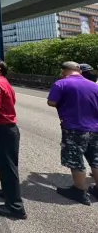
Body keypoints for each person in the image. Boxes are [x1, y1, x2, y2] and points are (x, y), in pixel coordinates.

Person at [47, 61, 98, 205]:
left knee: (76, 159)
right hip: (95, 128)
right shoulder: (94, 85)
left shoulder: (61, 84)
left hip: (74, 128)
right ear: (79, 71)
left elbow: (51, 102)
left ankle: (79, 190)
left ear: (63, 71)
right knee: (95, 158)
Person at [0, 60, 27, 219]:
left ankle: (15, 207)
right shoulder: (4, 82)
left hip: (2, 129)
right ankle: (7, 192)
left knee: (7, 166)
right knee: (6, 165)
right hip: (8, 130)